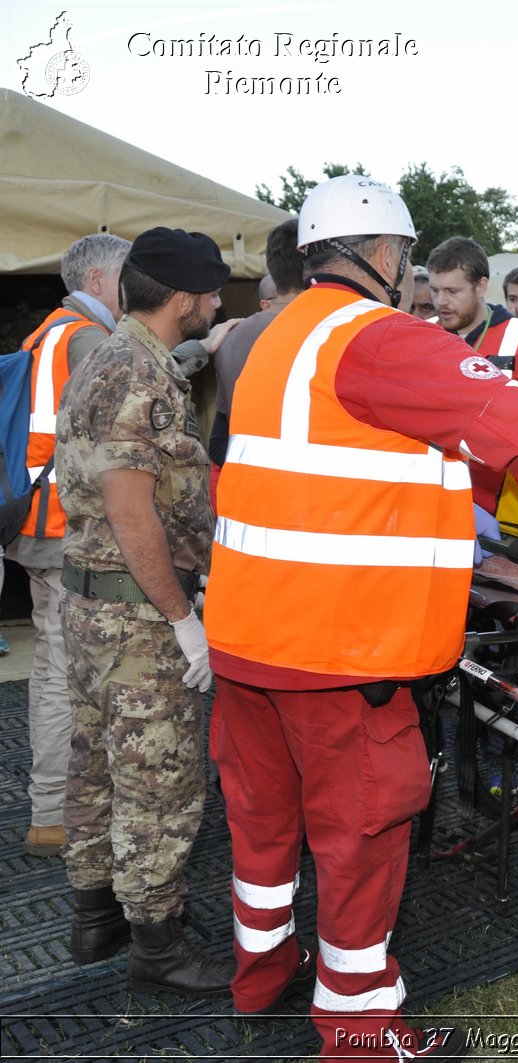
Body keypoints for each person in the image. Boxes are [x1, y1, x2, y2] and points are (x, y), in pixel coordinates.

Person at [204, 175, 518, 1060]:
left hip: (247, 643)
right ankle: (360, 1033)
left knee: (263, 828)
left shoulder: (270, 340)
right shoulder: (375, 336)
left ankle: (260, 978)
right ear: (384, 254)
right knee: (360, 843)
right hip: (341, 656)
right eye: (409, 257)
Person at [55, 226, 234, 997]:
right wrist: (181, 616)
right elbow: (135, 516)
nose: (220, 304)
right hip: (137, 617)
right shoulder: (135, 376)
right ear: (187, 298)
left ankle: (97, 916)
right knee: (158, 780)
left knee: (95, 763)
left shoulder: (110, 356)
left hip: (92, 605)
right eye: (214, 293)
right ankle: (156, 944)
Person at [15, 233, 130, 858]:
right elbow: (122, 409)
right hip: (61, 527)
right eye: (125, 279)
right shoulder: (83, 337)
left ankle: (50, 805)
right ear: (97, 281)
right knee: (63, 670)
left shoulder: (46, 333)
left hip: (35, 524)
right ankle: (53, 815)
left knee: (47, 665)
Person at [427, 236, 518, 428]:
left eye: (452, 291)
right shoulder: (423, 334)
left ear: (480, 287)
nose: (440, 301)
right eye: (434, 290)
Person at [208, 217, 303, 470]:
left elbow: (223, 435)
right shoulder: (323, 330)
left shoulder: (233, 335)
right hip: (307, 490)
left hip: (246, 486)